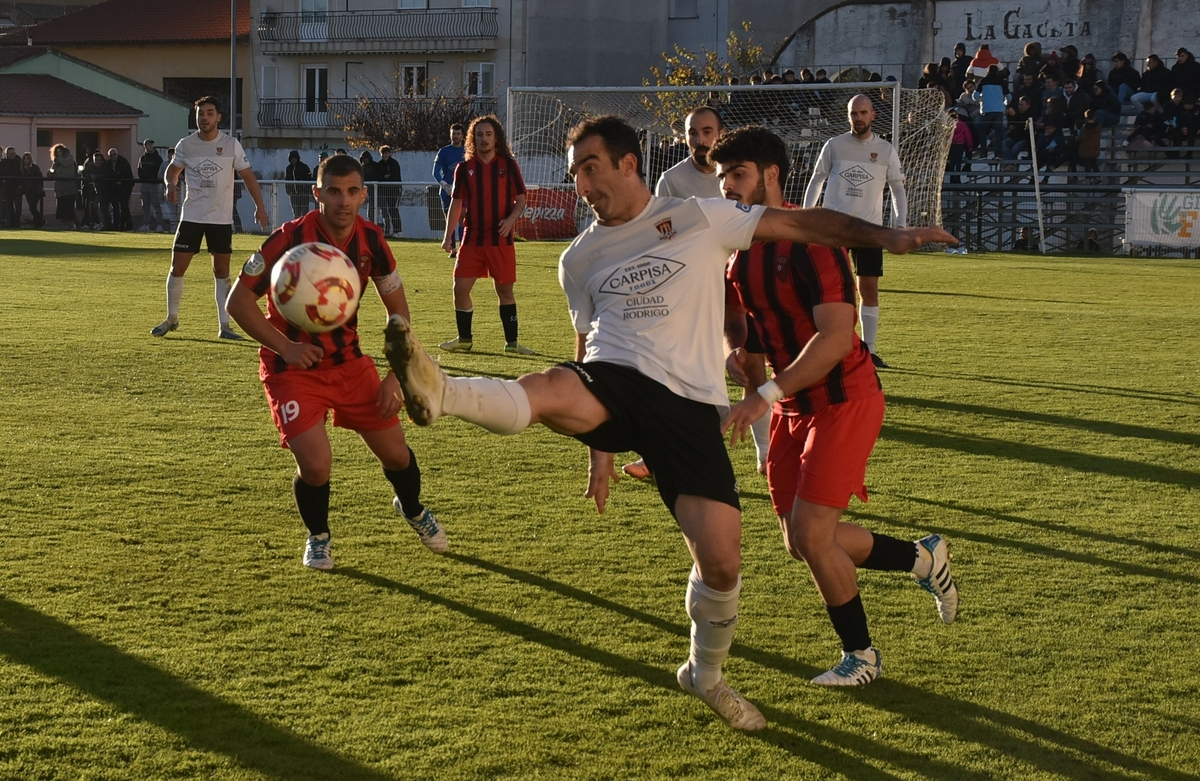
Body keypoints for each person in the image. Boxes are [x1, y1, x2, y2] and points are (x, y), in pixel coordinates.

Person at [381, 114, 955, 729]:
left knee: (724, 560)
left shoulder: (701, 218)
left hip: (693, 408)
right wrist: (598, 449)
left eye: (590, 168)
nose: (581, 185)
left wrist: (886, 236)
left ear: (629, 163)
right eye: (575, 174)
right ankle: (443, 391)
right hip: (615, 380)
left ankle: (705, 675)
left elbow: (805, 223)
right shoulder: (578, 257)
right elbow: (583, 348)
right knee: (548, 386)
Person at [709, 125, 958, 688]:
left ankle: (862, 657)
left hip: (844, 398)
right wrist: (734, 354)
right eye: (723, 176)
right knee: (800, 542)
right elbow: (738, 324)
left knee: (814, 535)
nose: (727, 186)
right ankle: (923, 558)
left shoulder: (812, 241)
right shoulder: (736, 249)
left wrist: (764, 394)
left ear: (772, 174)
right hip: (791, 405)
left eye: (738, 174)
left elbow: (837, 339)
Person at [226, 153, 445, 571]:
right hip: (292, 370)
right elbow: (238, 302)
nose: (343, 201)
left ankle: (413, 508)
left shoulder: (372, 241)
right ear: (317, 194)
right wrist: (285, 348)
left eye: (351, 192)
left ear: (363, 195)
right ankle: (319, 537)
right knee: (315, 464)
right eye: (333, 191)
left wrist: (396, 376)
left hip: (349, 365)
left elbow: (398, 311)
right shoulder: (287, 239)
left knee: (397, 456)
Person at [802, 94, 907, 369]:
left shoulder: (885, 150)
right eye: (853, 113)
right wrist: (805, 216)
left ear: (873, 115)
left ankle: (869, 351)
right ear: (848, 116)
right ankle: (821, 346)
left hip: (869, 231)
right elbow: (817, 179)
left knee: (868, 289)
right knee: (827, 289)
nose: (858, 118)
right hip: (834, 229)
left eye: (862, 113)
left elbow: (897, 188)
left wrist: (901, 224)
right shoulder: (834, 145)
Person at [152, 96, 269, 340]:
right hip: (192, 216)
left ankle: (224, 326)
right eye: (200, 113)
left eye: (209, 113)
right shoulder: (186, 144)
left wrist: (260, 207)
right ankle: (171, 318)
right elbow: (172, 170)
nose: (204, 117)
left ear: (218, 117)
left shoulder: (231, 144)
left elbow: (248, 176)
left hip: (220, 218)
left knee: (221, 270)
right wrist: (170, 184)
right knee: (177, 267)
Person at [438, 114, 534, 355]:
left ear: (496, 138)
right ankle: (464, 339)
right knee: (460, 289)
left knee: (505, 291)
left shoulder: (508, 166)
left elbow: (521, 199)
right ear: (472, 139)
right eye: (479, 134)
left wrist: (510, 221)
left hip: (501, 239)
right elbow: (456, 203)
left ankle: (512, 344)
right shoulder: (464, 168)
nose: (484, 139)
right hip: (472, 238)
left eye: (488, 134)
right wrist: (448, 236)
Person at [655, 106, 724, 199]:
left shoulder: (738, 176)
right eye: (693, 134)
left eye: (707, 132)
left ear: (722, 134)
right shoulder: (669, 181)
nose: (699, 141)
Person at [432, 123, 466, 257]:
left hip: (462, 190)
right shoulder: (443, 151)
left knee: (462, 217)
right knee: (449, 219)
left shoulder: (467, 151)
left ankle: (463, 248)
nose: (455, 136)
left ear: (462, 135)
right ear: (450, 135)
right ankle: (452, 249)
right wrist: (444, 185)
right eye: (453, 133)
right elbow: (435, 171)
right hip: (447, 190)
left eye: (458, 133)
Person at [47, 144, 80, 228]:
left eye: (60, 151)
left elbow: (66, 163)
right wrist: (51, 173)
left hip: (69, 188)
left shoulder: (69, 158)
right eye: (57, 152)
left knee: (69, 209)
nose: (59, 153)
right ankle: (65, 226)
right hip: (60, 189)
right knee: (61, 210)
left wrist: (57, 159)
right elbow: (52, 173)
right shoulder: (56, 162)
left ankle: (73, 225)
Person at [137, 140, 165, 232]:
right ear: (145, 146)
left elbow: (160, 171)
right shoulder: (142, 158)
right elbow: (139, 169)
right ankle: (146, 224)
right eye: (148, 144)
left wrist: (154, 178)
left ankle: (159, 225)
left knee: (156, 205)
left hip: (154, 184)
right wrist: (142, 177)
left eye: (151, 144)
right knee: (145, 206)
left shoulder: (157, 158)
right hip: (144, 184)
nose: (150, 146)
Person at [377, 145, 402, 238]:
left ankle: (398, 231)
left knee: (393, 210)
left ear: (389, 153)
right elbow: (378, 177)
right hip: (384, 191)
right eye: (383, 153)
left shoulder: (394, 163)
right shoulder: (380, 164)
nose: (385, 155)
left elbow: (394, 176)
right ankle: (389, 231)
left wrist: (385, 177)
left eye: (386, 153)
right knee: (386, 211)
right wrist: (385, 177)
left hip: (394, 190)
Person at [108, 148, 134, 231]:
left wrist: (117, 178)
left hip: (126, 186)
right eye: (111, 155)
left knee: (124, 205)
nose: (113, 156)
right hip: (117, 187)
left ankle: (125, 225)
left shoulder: (123, 162)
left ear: (117, 154)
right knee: (120, 206)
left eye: (114, 154)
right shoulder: (109, 163)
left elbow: (125, 174)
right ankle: (122, 225)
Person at [284, 150, 312, 220]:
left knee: (305, 213)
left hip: (303, 194)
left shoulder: (304, 167)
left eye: (295, 158)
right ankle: (297, 226)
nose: (293, 160)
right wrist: (288, 190)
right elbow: (287, 180)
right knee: (296, 213)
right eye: (292, 158)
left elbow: (309, 179)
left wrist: (307, 190)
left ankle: (305, 226)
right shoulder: (288, 168)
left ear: (297, 158)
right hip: (293, 194)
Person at [19, 152, 44, 228]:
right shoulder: (23, 168)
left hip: (35, 190)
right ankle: (38, 221)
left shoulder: (34, 168)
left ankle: (40, 220)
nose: (26, 160)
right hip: (28, 190)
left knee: (32, 207)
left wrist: (35, 186)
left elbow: (39, 178)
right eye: (24, 159)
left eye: (27, 158)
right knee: (32, 207)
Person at [0, 147, 21, 227]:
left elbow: (21, 173)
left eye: (14, 153)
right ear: (7, 154)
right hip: (7, 187)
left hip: (17, 186)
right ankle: (10, 222)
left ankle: (17, 222)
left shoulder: (19, 161)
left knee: (18, 206)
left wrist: (20, 185)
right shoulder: (3, 162)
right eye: (11, 154)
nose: (13, 155)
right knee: (9, 206)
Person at [358, 149, 378, 226]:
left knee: (384, 211)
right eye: (363, 158)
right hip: (367, 191)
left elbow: (378, 177)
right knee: (370, 210)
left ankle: (387, 228)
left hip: (377, 191)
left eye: (366, 158)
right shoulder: (361, 168)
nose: (364, 160)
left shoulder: (375, 166)